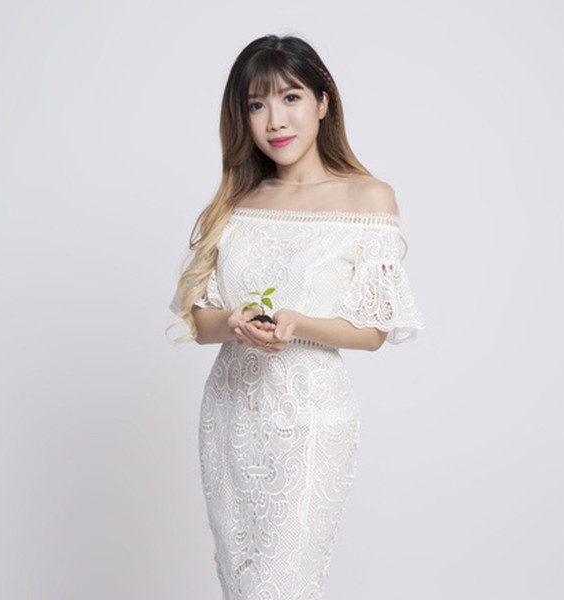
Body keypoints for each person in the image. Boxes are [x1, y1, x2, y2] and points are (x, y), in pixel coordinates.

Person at [170, 34, 424, 599]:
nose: (275, 120)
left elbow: (373, 332)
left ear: (323, 103)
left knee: (279, 587)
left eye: (290, 98)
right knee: (241, 586)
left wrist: (297, 323)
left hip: (311, 420)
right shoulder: (235, 203)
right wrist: (233, 323)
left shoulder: (368, 199)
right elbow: (199, 321)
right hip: (231, 418)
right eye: (256, 104)